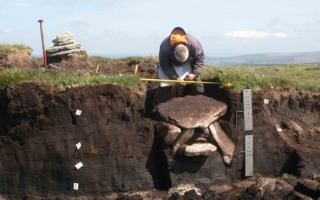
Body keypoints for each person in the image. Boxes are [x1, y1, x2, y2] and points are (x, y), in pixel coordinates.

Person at [158, 27, 205, 98]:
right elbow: (165, 64)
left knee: (198, 88)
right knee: (166, 87)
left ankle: (199, 95)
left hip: (190, 61)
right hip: (170, 62)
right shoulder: (165, 46)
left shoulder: (194, 44)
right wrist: (175, 78)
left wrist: (194, 74)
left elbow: (200, 59)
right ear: (173, 52)